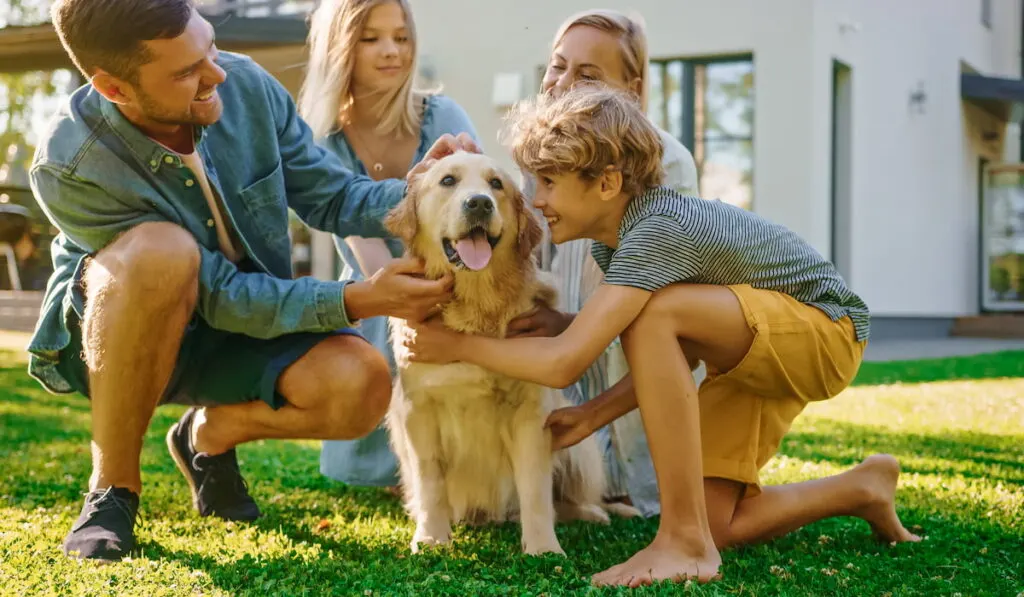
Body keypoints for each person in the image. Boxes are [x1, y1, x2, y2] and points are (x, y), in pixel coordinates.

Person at [403, 85, 920, 587]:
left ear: (606, 184)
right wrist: (591, 411)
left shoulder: (655, 231)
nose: (536, 202)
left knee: (656, 315)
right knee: (721, 524)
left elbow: (566, 363)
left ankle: (681, 542)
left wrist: (455, 346)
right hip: (751, 358)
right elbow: (672, 353)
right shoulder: (618, 245)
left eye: (549, 184)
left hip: (827, 330)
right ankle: (862, 487)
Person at [28, 0, 477, 563]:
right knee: (160, 254)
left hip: (242, 328)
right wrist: (357, 299)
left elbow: (331, 194)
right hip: (122, 336)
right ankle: (112, 492)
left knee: (361, 384)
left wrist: (423, 189)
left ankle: (206, 436)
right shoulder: (72, 163)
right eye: (186, 71)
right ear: (114, 88)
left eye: (209, 48)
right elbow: (214, 292)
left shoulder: (243, 84)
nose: (217, 74)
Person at [508, 8, 699, 516]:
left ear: (632, 91)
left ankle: (622, 482)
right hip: (569, 386)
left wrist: (572, 336)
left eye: (588, 76)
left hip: (628, 394)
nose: (563, 85)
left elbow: (660, 326)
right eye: (557, 66)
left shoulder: (665, 165)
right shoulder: (538, 159)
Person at [297, 0, 480, 492]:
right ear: (341, 47)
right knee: (382, 307)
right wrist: (407, 300)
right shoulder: (322, 140)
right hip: (374, 289)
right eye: (371, 38)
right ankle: (392, 460)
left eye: (401, 37)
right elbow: (369, 256)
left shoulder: (442, 115)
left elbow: (473, 218)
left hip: (456, 278)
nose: (391, 51)